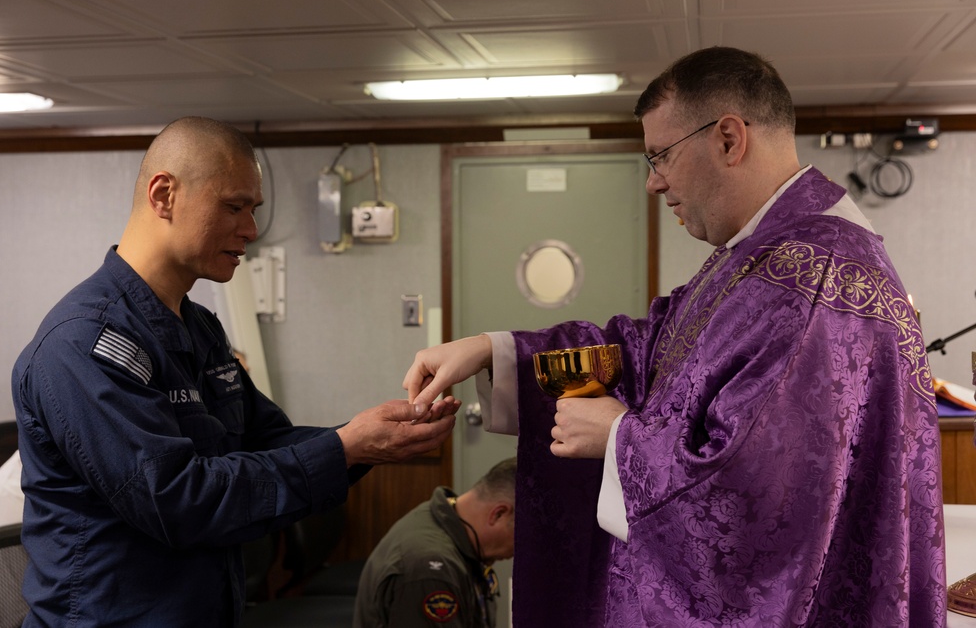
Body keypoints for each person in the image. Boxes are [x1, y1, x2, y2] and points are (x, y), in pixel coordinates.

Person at [403, 47, 945, 627]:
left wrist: (619, 438)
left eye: (660, 156)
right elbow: (650, 351)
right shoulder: (759, 256)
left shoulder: (813, 273)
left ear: (729, 139)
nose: (653, 183)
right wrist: (498, 350)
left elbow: (765, 497)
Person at [11, 116, 460, 627]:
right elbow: (177, 500)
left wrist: (375, 437)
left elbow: (264, 441)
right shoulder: (83, 343)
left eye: (253, 209)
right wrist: (347, 446)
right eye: (233, 206)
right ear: (164, 196)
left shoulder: (198, 327)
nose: (250, 230)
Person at [353, 456, 517, 628]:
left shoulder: (445, 515)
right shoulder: (431, 569)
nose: (520, 550)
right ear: (498, 514)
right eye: (523, 536)